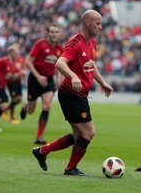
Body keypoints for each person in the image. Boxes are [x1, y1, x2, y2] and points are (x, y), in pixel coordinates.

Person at [32, 9, 113, 176]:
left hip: (78, 95)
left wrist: (102, 82)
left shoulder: (91, 42)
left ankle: (42, 151)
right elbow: (60, 63)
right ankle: (70, 169)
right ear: (87, 23)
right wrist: (73, 75)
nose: (101, 27)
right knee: (89, 132)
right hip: (71, 95)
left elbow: (91, 64)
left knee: (78, 137)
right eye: (98, 23)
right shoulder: (75, 42)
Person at [20, 25, 64, 144]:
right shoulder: (40, 44)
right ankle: (26, 106)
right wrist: (38, 77)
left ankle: (38, 136)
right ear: (48, 33)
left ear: (59, 34)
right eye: (52, 32)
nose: (54, 34)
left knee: (47, 106)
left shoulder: (60, 49)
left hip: (48, 80)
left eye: (56, 32)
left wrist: (58, 79)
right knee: (31, 110)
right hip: (35, 79)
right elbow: (28, 62)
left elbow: (58, 66)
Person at [2, 43, 25, 124]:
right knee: (14, 99)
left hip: (18, 81)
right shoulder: (11, 60)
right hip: (12, 82)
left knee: (19, 99)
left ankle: (5, 110)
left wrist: (24, 79)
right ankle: (11, 117)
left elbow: (23, 70)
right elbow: (10, 73)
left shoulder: (21, 59)